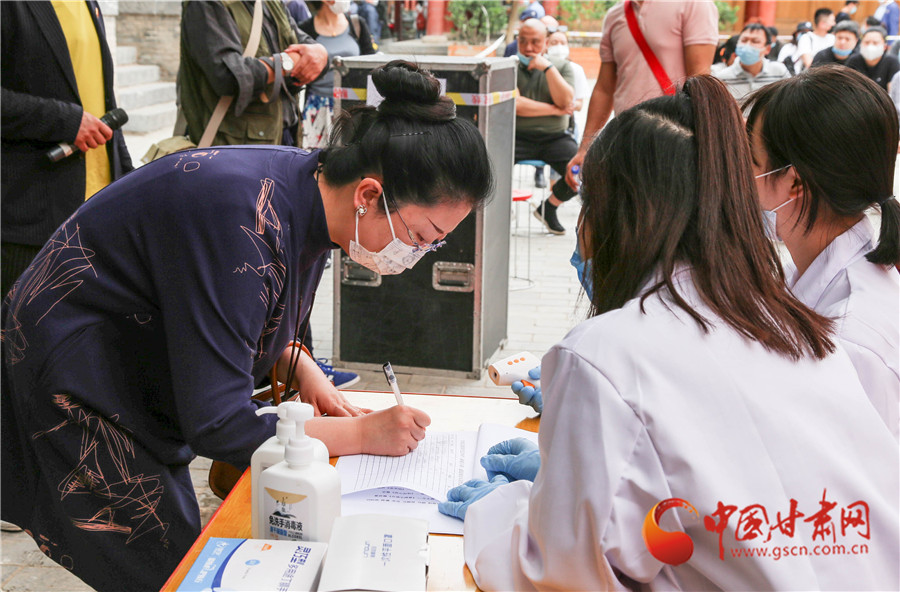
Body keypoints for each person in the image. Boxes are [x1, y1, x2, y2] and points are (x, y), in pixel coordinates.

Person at [0, 60, 494, 592]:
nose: (415, 256)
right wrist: (361, 434)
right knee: (177, 573)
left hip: (128, 366)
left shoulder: (311, 190)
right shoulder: (242, 218)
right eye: (420, 237)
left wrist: (299, 364)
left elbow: (240, 308)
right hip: (75, 380)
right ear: (369, 196)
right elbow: (218, 424)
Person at [438, 75, 900, 590]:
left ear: (620, 212)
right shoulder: (793, 321)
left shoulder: (603, 355)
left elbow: (557, 576)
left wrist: (501, 512)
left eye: (587, 203)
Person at [745, 65, 900, 439]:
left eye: (749, 161)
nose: (738, 178)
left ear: (794, 183)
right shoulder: (799, 277)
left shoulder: (850, 342)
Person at [1, 1, 133, 298]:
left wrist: (127, 177)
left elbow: (103, 101)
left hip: (98, 214)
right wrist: (65, 121)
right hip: (28, 221)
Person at [564, 0, 718, 192]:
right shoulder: (615, 15)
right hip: (625, 139)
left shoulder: (694, 4)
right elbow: (604, 88)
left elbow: (700, 82)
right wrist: (585, 147)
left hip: (674, 141)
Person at [178, 0, 328, 148]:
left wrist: (320, 52)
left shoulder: (272, 3)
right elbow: (228, 78)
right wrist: (285, 63)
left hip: (285, 136)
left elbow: (308, 51)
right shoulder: (206, 4)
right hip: (235, 146)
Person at [513, 18, 578, 235]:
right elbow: (518, 106)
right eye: (523, 41)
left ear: (546, 42)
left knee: (582, 173)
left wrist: (548, 68)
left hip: (555, 138)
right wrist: (556, 110)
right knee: (486, 169)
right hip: (516, 136)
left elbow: (566, 100)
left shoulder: (562, 66)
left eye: (535, 42)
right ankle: (499, 212)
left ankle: (549, 207)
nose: (528, 47)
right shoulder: (509, 67)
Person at [299, 0, 376, 149]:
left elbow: (371, 66)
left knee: (351, 156)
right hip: (318, 108)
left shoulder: (357, 24)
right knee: (316, 157)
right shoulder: (305, 29)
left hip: (353, 107)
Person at [713, 22, 790, 100]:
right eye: (744, 40)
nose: (747, 45)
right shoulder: (722, 78)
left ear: (767, 49)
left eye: (755, 41)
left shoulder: (779, 72)